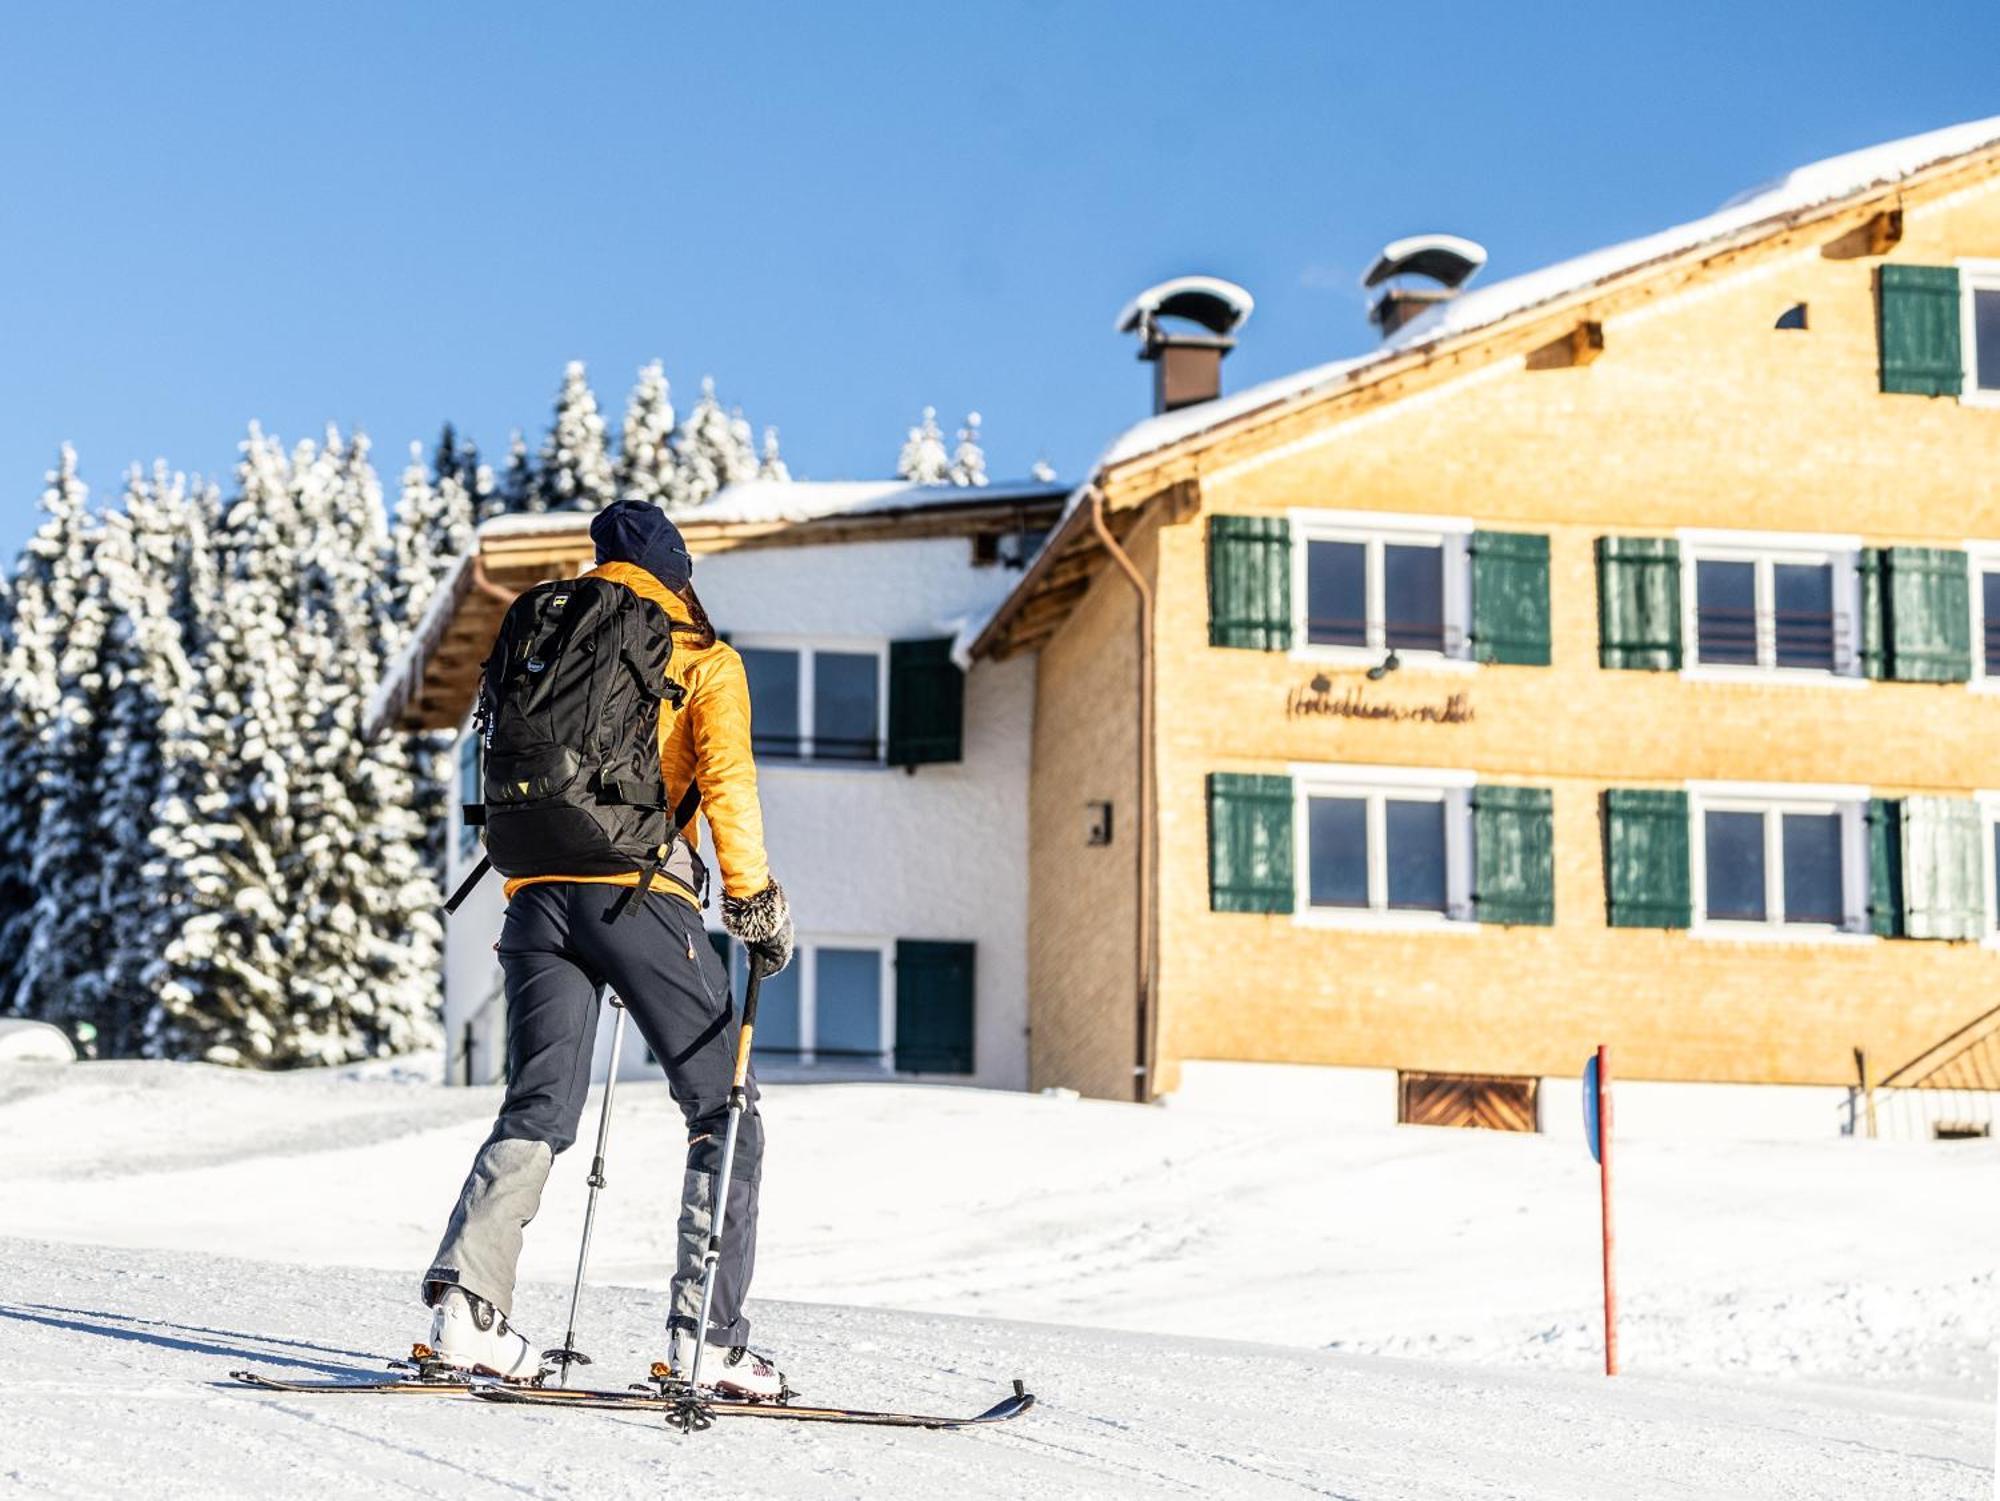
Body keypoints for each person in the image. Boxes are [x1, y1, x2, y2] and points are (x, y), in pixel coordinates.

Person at [420, 500, 795, 1397]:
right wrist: (754, 903)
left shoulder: (546, 638)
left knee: (540, 1104)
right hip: (636, 894)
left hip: (533, 896)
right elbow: (728, 782)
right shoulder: (700, 656)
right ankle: (707, 1335)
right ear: (679, 577)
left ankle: (468, 1312)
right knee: (723, 1105)